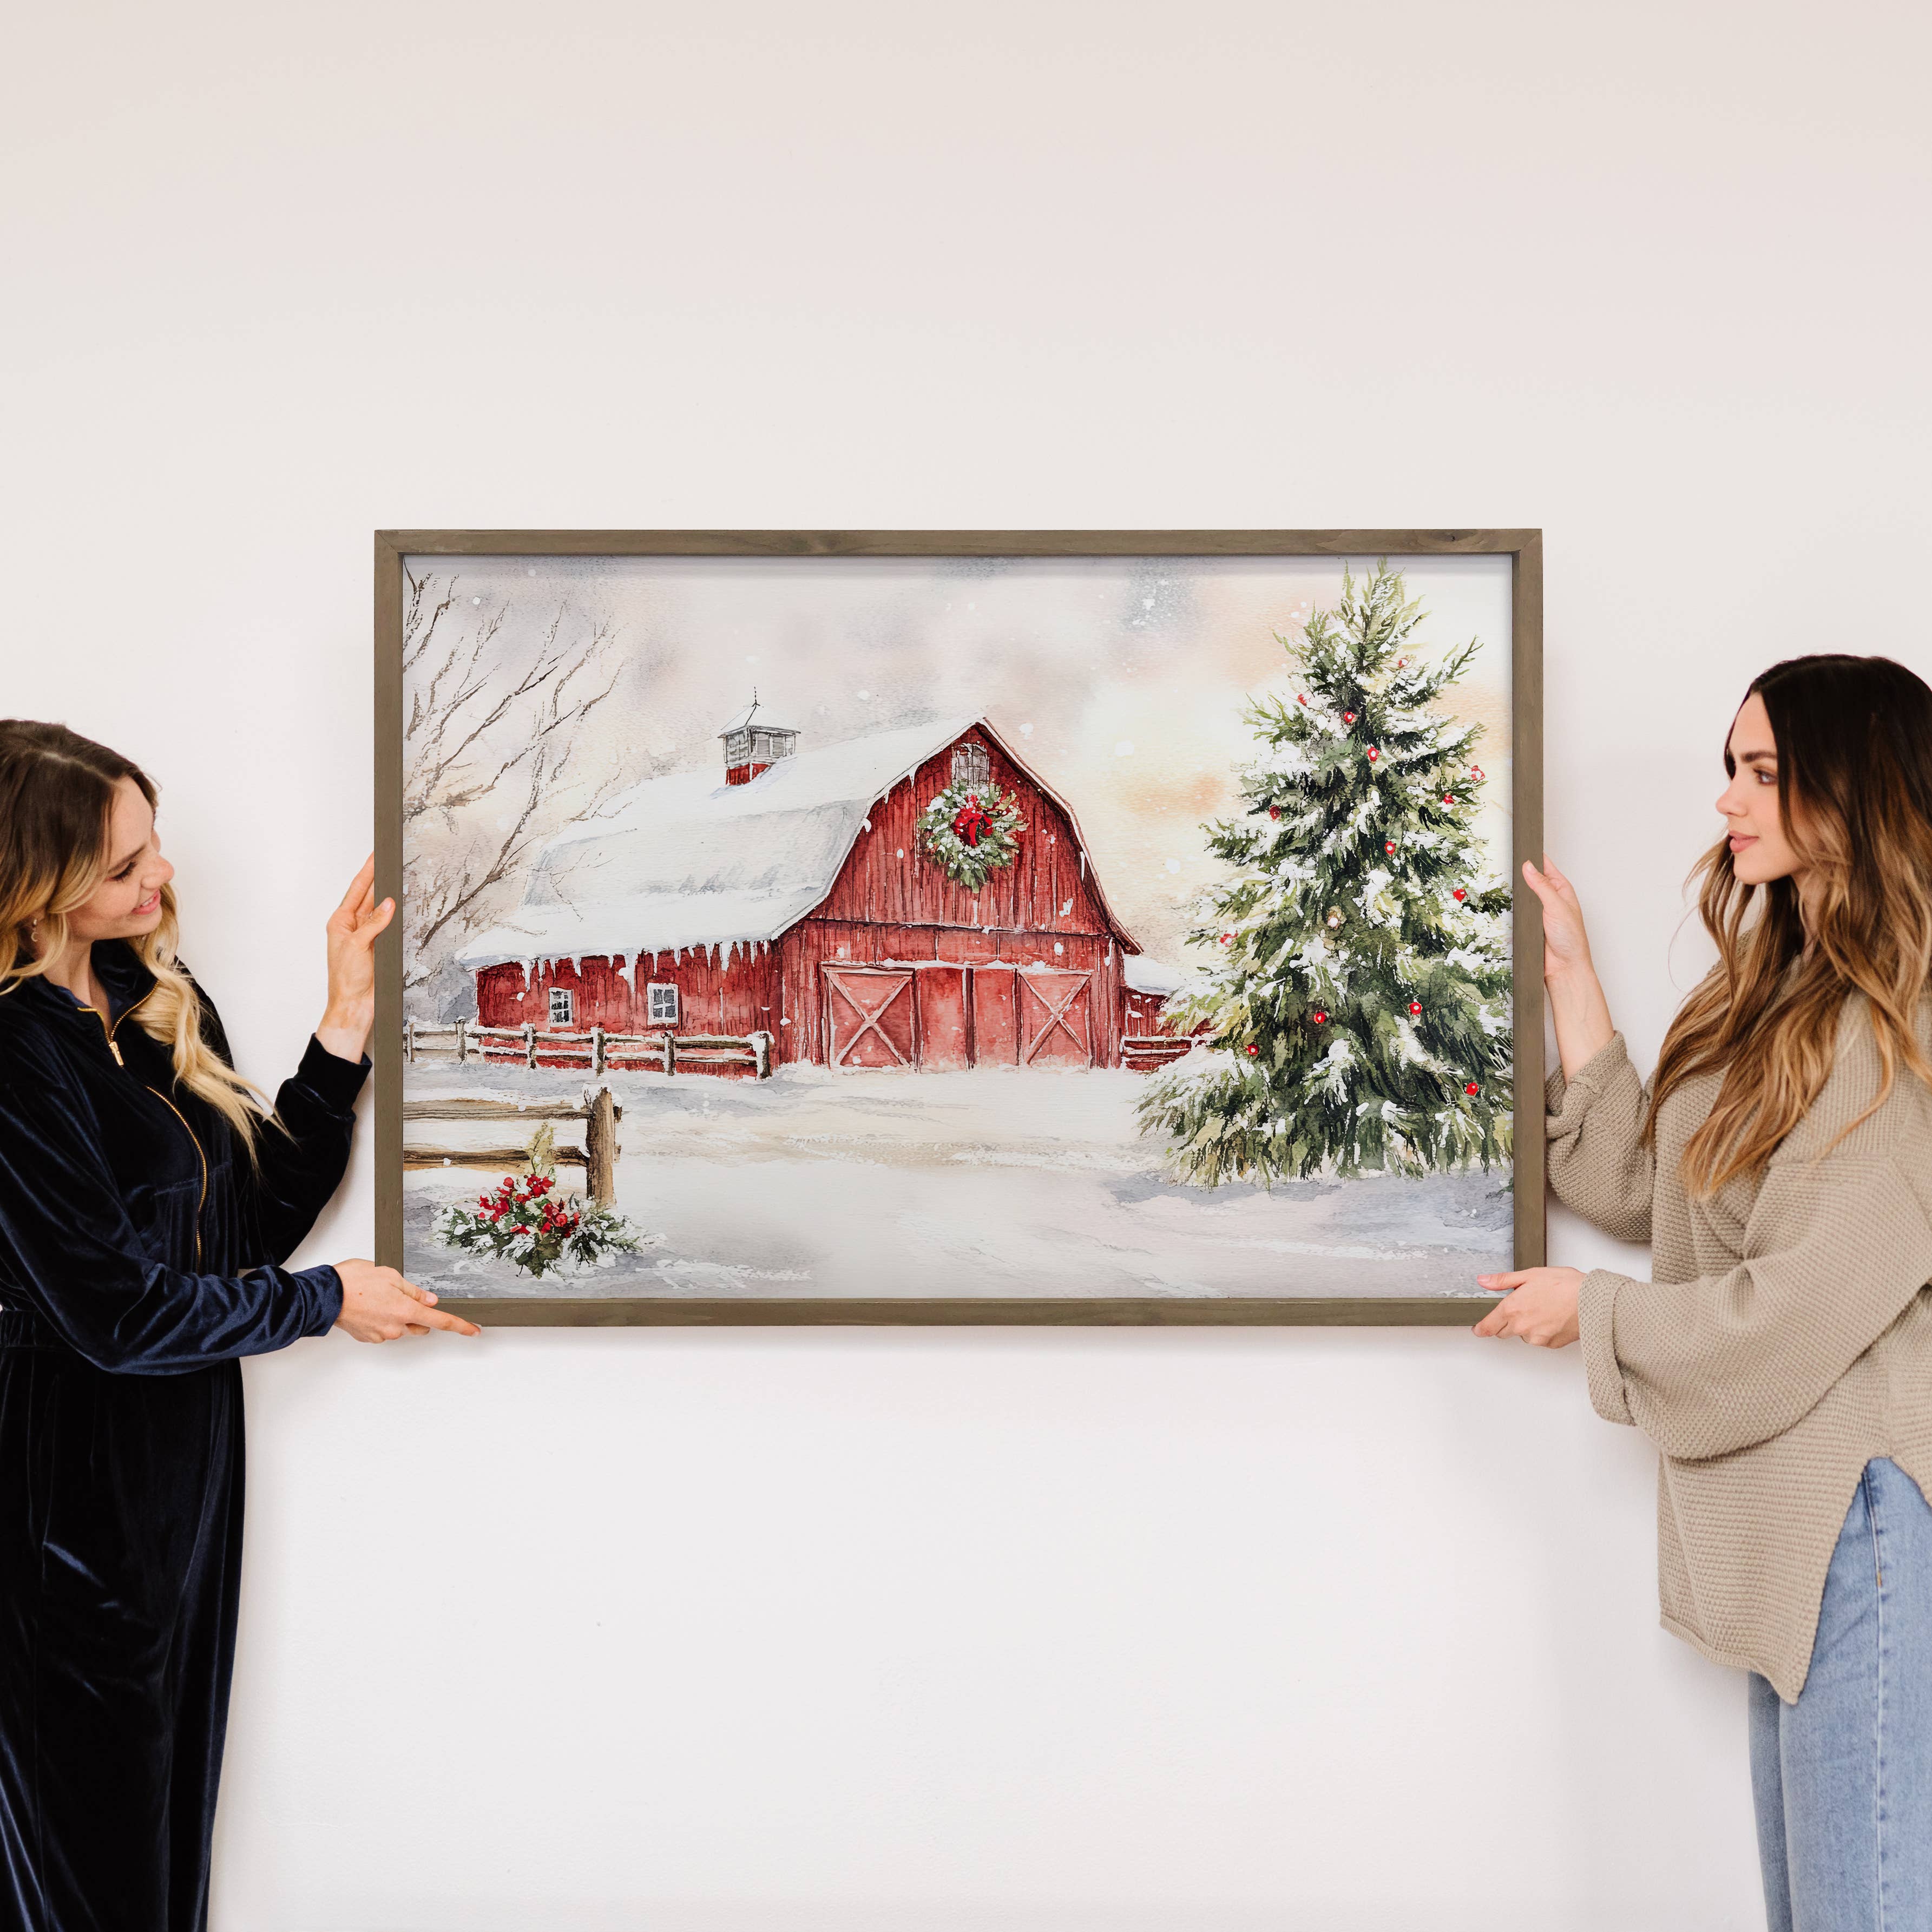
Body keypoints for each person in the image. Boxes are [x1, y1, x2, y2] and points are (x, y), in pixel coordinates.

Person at [1474, 655, 1932, 1930]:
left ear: (1857, 790)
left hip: (1864, 1533)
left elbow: (1797, 1310)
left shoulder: (1905, 1031)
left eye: (1766, 773)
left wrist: (1596, 1316)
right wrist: (1570, 976)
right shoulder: (1775, 994)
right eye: (1730, 769)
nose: (1731, 801)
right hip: (1797, 1536)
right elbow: (1649, 1188)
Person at [0, 720, 479, 1932]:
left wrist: (345, 1022)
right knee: (86, 1871)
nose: (160, 879)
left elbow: (246, 1224)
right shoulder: (11, 1055)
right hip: (55, 1498)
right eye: (124, 867)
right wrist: (327, 1303)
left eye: (154, 845)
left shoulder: (149, 995)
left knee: (160, 1845)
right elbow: (113, 1315)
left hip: (180, 1478)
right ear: (33, 883)